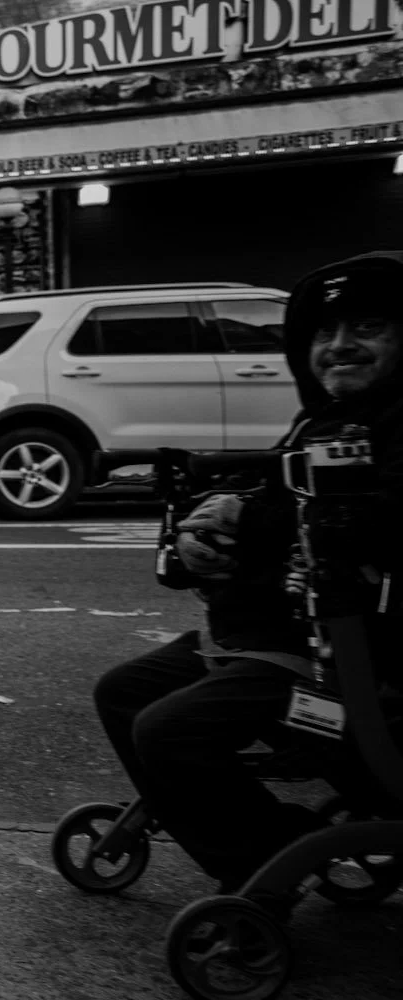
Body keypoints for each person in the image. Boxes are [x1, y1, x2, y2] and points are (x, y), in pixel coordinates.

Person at [93, 252, 403, 892]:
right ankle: (243, 838)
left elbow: (362, 515)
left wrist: (252, 518)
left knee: (167, 730)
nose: (340, 346)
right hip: (276, 643)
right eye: (324, 332)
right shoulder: (326, 421)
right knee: (124, 692)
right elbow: (275, 502)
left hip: (357, 675)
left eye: (367, 327)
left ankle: (265, 865)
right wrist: (202, 534)